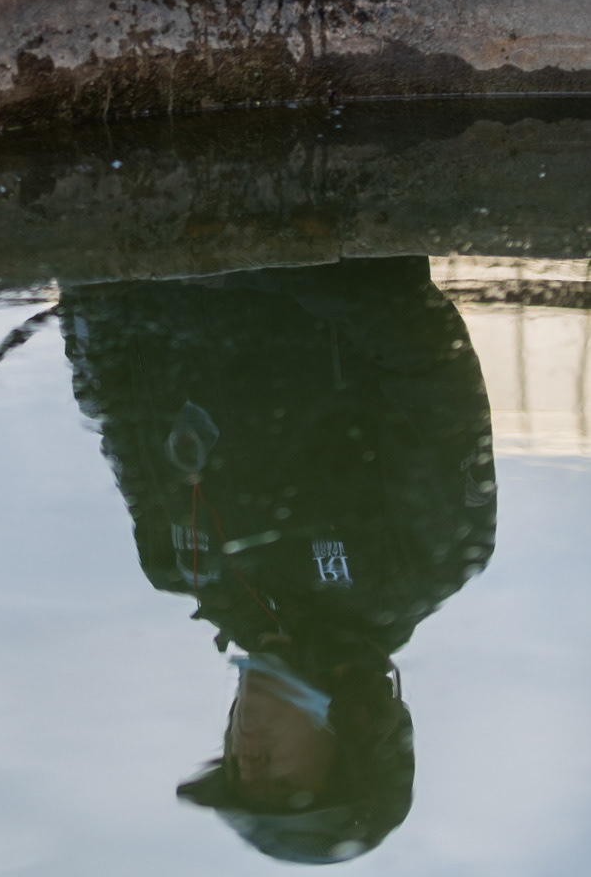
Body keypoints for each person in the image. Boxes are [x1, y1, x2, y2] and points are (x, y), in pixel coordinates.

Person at [62, 258, 497, 862]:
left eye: (236, 773)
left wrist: (88, 282)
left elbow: (113, 399)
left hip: (139, 238)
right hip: (305, 214)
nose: (247, 759)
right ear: (358, 736)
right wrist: (256, 258)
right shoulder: (426, 563)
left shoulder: (180, 567)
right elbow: (428, 352)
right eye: (281, 782)